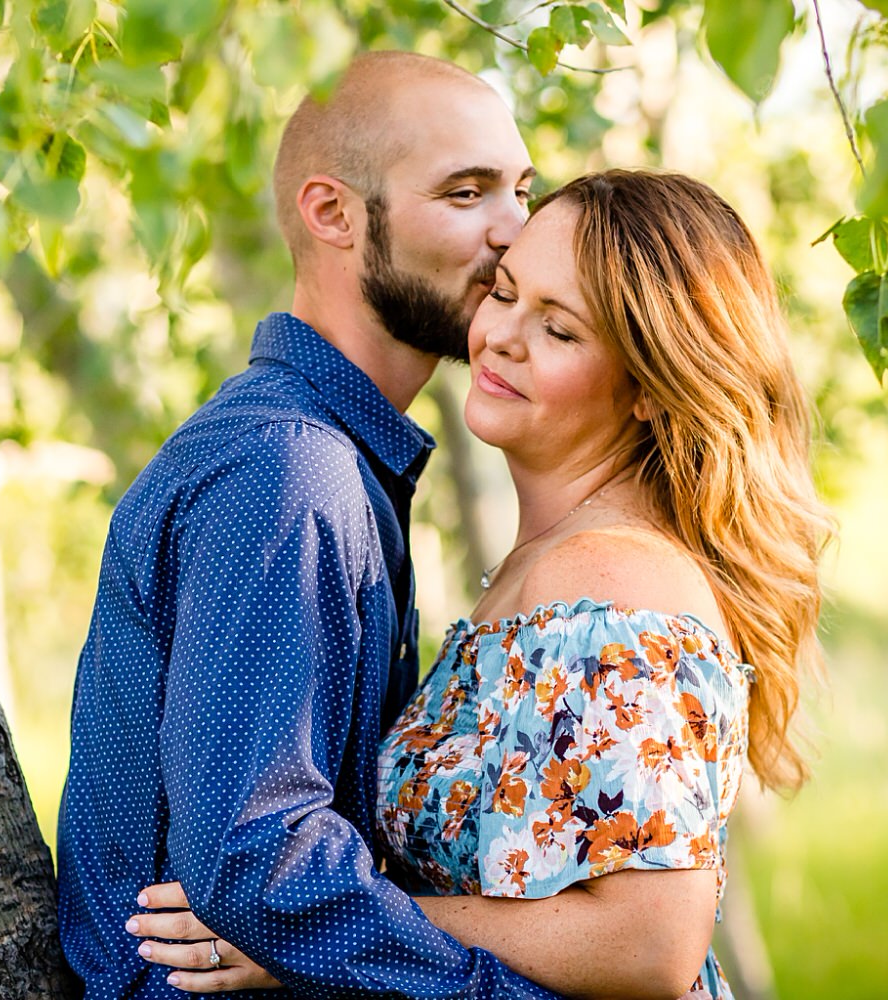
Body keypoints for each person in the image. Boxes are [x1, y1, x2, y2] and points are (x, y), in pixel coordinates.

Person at [130, 170, 831, 999]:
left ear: (648, 388)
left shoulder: (611, 583)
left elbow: (651, 942)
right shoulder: (548, 568)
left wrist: (312, 932)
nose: (501, 335)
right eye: (503, 293)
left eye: (560, 330)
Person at [55, 50, 561, 997]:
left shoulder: (328, 457)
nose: (516, 235)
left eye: (523, 192)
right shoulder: (291, 473)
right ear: (332, 214)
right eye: (466, 194)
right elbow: (257, 862)